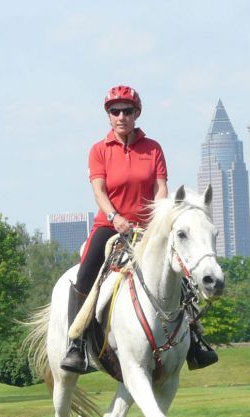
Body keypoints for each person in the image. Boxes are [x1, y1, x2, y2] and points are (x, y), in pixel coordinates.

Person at [60, 85, 216, 373]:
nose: (121, 116)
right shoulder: (98, 150)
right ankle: (76, 345)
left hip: (147, 228)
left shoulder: (153, 148)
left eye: (127, 111)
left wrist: (156, 223)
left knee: (178, 275)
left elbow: (161, 189)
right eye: (115, 111)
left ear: (137, 113)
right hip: (110, 226)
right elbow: (99, 191)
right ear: (108, 116)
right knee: (85, 275)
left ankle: (194, 340)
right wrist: (115, 216)